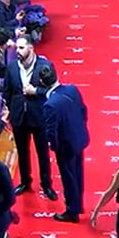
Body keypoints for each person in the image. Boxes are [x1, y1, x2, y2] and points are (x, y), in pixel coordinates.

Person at [0, 36, 55, 201]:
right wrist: (10, 109)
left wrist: (35, 91)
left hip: (39, 117)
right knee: (22, 153)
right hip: (19, 117)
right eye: (17, 47)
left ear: (31, 48)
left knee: (42, 153)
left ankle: (46, 185)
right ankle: (25, 181)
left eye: (22, 47)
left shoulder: (45, 66)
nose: (18, 51)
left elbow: (53, 91)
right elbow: (7, 91)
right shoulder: (11, 68)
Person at [37, 64, 89, 222]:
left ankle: (72, 211)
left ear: (41, 82)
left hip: (66, 146)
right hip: (79, 138)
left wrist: (54, 146)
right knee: (78, 174)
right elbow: (83, 110)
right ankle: (77, 204)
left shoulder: (50, 105)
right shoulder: (72, 89)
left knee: (69, 177)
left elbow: (51, 132)